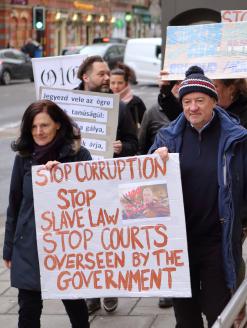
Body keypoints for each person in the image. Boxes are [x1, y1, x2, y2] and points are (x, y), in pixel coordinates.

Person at [149, 66, 247, 328]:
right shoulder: (166, 137)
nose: (193, 107)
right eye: (187, 101)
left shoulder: (236, 138)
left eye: (200, 100)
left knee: (219, 311)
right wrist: (153, 163)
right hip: (178, 243)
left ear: (214, 101)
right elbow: (141, 195)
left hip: (218, 239)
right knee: (186, 316)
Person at [3, 99, 91, 327]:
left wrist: (61, 179)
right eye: (33, 127)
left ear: (58, 125)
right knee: (28, 312)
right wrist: (9, 249)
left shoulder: (78, 155)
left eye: (44, 125)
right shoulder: (24, 157)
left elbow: (92, 199)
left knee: (76, 308)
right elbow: (14, 204)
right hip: (29, 246)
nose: (38, 132)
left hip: (66, 247)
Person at [75, 55, 138, 314]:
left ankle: (110, 287)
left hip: (109, 186)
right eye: (101, 75)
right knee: (83, 242)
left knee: (108, 242)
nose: (106, 79)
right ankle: (89, 294)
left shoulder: (120, 108)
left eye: (107, 75)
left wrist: (122, 147)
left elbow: (135, 145)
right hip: (77, 190)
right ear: (85, 78)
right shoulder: (65, 106)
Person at [110, 63, 147, 130]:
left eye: (120, 83)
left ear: (126, 83)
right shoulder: (104, 101)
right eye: (112, 83)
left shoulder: (136, 102)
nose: (116, 86)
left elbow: (146, 126)